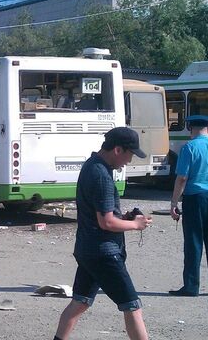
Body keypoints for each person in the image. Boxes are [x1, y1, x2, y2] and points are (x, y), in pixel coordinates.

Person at [54, 127, 152, 340]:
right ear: (118, 150)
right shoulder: (101, 175)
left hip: (88, 249)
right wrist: (136, 225)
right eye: (130, 154)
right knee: (132, 305)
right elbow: (106, 222)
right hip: (103, 253)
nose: (129, 161)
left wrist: (124, 217)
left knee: (80, 302)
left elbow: (101, 214)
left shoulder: (92, 166)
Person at [169, 115, 208, 297]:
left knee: (193, 242)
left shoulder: (189, 148)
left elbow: (182, 178)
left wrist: (174, 202)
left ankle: (191, 286)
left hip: (195, 198)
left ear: (190, 127)